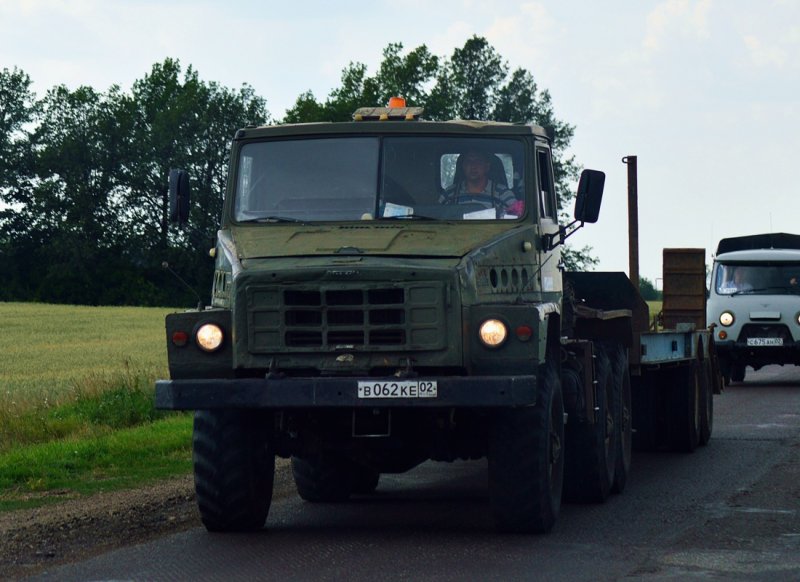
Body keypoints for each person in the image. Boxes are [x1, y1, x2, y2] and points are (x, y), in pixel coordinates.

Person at [439, 149, 521, 216]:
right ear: (463, 166)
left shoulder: (503, 194)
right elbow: (437, 218)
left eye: (478, 161)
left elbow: (516, 217)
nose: (473, 166)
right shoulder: (449, 194)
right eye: (469, 161)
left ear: (487, 167)